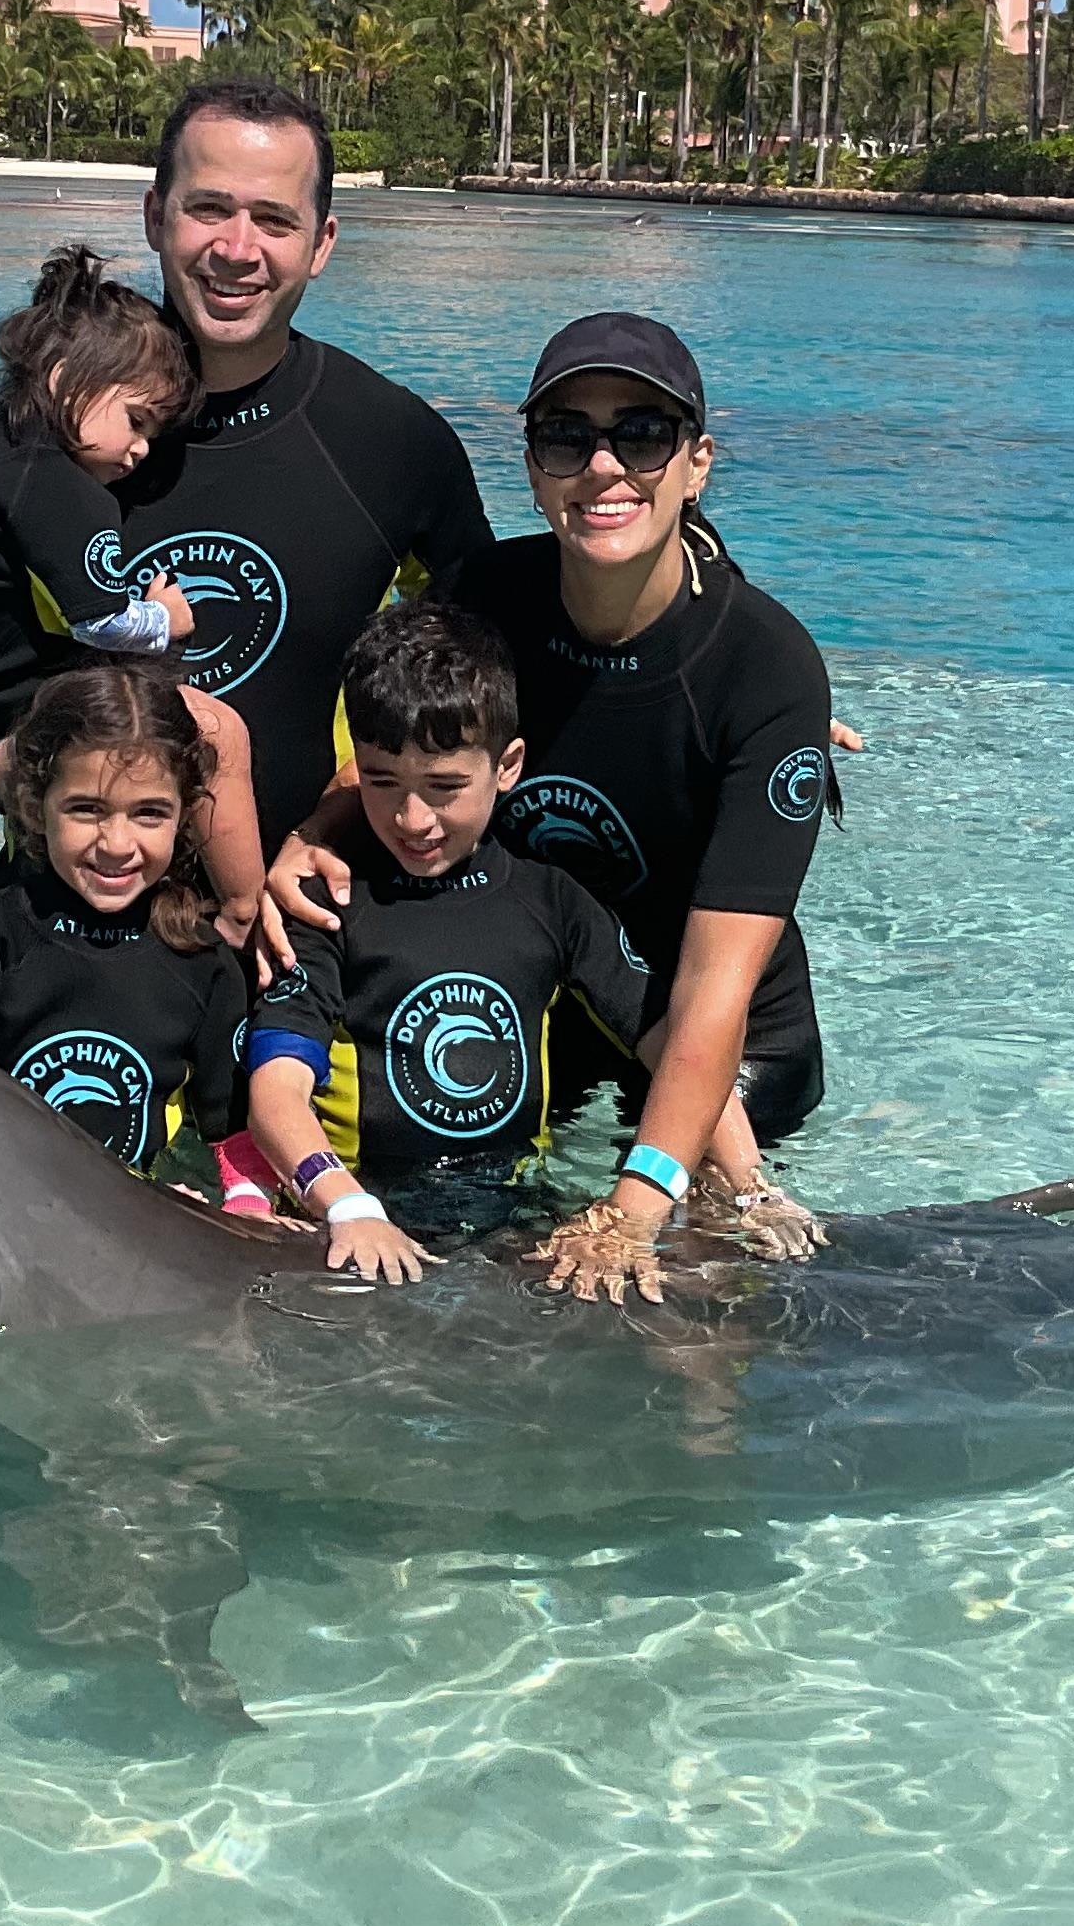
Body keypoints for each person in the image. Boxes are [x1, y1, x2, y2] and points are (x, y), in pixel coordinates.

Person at [269, 312, 834, 1306]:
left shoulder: (766, 668)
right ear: (533, 467)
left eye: (643, 435)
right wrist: (311, 837)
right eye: (567, 437)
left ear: (697, 463)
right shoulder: (485, 597)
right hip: (550, 998)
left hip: (719, 1030)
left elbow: (708, 991)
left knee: (704, 1280)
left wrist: (639, 1203)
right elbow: (401, 744)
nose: (604, 465)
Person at [229, 603, 769, 1262]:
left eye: (445, 785)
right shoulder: (327, 901)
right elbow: (275, 1090)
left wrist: (752, 1187)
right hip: (360, 1209)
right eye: (381, 780)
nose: (413, 817)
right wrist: (347, 1207)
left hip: (515, 1212)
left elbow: (677, 1047)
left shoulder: (553, 903)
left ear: (507, 766)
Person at [101, 79, 493, 860]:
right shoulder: (54, 419)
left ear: (321, 244)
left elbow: (484, 681)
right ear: (154, 217)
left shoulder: (392, 441)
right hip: (72, 914)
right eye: (208, 208)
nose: (237, 249)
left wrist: (331, 823)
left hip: (300, 915)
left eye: (275, 220)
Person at [0, 243, 257, 919]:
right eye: (137, 421)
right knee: (219, 731)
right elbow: (101, 622)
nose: (140, 452)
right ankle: (248, 904)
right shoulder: (57, 488)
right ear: (66, 379)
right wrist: (165, 617)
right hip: (3, 697)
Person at [0, 664, 255, 1184]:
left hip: (136, 1222)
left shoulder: (201, 960)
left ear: (183, 817)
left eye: (149, 814)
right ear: (33, 808)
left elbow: (228, 1138)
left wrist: (246, 1204)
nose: (117, 844)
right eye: (87, 809)